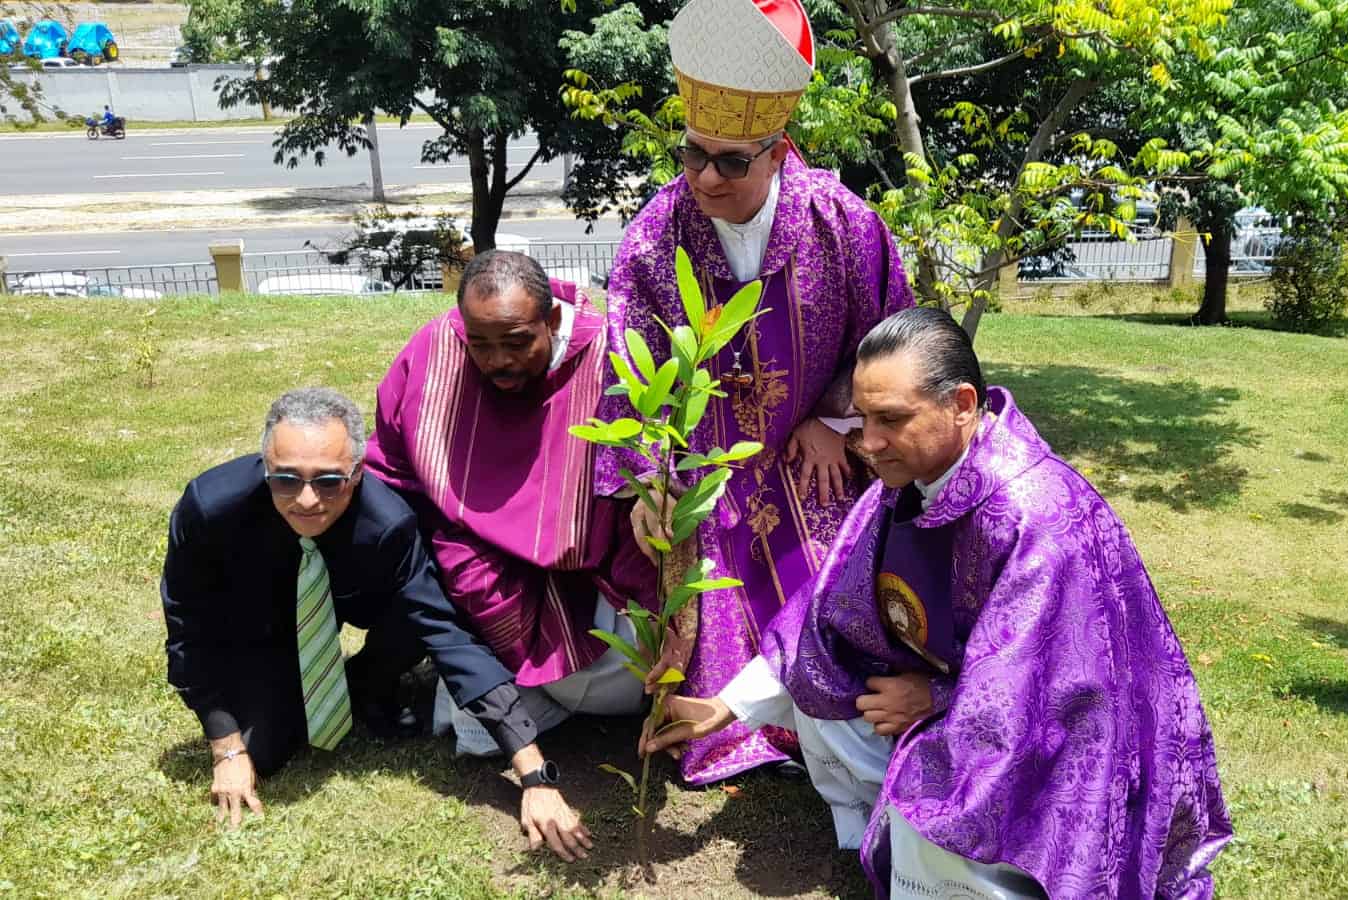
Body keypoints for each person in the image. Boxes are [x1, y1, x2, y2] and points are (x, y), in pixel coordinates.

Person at [646, 308, 1232, 898]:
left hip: (1069, 746)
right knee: (817, 685)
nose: (868, 443)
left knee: (936, 796)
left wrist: (936, 701)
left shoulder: (1035, 519)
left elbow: (1058, 697)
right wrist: (727, 706)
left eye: (891, 420)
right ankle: (882, 834)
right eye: (864, 417)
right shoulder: (910, 480)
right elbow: (827, 613)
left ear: (961, 404)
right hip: (961, 696)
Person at [597, 0, 915, 784]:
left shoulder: (845, 224)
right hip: (701, 470)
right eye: (693, 154)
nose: (706, 176)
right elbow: (626, 366)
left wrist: (836, 421)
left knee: (837, 569)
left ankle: (824, 723)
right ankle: (733, 727)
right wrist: (648, 482)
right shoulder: (655, 234)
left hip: (814, 455)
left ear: (778, 153)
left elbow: (894, 343)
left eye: (732, 161)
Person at [364, 250, 655, 860]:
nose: (497, 362)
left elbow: (649, 473)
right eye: (481, 344)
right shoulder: (435, 353)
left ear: (551, 318)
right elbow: (392, 465)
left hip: (592, 560)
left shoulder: (610, 355)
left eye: (517, 342)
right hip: (475, 551)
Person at [161, 389, 451, 825]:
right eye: (286, 479)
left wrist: (525, 758)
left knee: (415, 613)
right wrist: (226, 743)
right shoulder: (209, 508)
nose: (308, 499)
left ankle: (366, 683)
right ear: (265, 466)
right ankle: (309, 689)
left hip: (352, 597)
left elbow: (437, 620)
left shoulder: (388, 522)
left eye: (329, 481)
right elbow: (187, 627)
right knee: (266, 751)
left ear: (356, 473)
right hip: (259, 630)